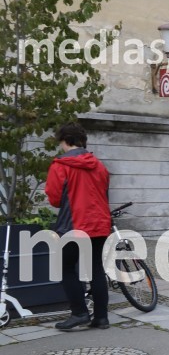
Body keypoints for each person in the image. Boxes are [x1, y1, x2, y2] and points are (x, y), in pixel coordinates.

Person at [45, 122, 112, 330]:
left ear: (66, 141)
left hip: (74, 225)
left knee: (63, 266)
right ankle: (101, 318)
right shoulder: (99, 165)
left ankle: (79, 313)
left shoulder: (60, 165)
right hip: (99, 224)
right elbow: (105, 192)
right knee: (96, 269)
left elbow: (55, 198)